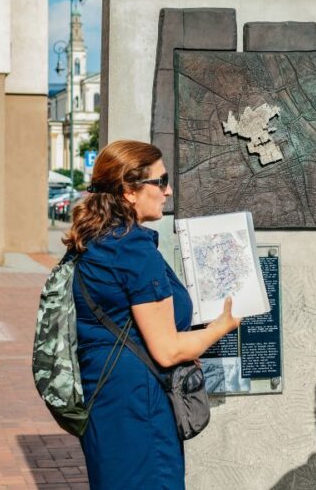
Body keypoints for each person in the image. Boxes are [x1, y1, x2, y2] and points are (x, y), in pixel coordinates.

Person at [62, 140, 241, 489]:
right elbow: (167, 350)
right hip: (140, 408)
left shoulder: (98, 240)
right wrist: (223, 326)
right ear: (129, 191)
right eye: (160, 182)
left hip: (107, 398)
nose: (168, 190)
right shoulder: (131, 250)